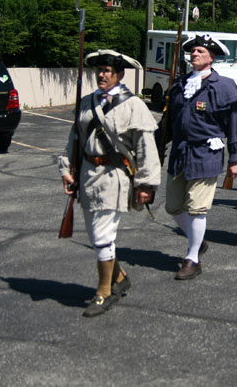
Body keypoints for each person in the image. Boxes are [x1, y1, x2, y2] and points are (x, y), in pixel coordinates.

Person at [59, 49, 161, 318]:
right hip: (87, 176)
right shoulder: (86, 102)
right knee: (95, 237)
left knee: (104, 237)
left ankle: (103, 292)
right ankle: (120, 277)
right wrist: (67, 168)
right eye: (99, 70)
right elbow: (75, 138)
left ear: (119, 75)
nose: (102, 75)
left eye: (107, 71)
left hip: (115, 177)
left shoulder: (133, 105)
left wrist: (146, 184)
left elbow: (145, 148)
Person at [161, 33, 237, 279]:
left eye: (200, 52)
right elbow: (169, 121)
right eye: (193, 51)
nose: (194, 54)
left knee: (197, 209)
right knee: (173, 207)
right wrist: (153, 146)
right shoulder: (180, 83)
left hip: (206, 153)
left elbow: (234, 124)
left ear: (212, 57)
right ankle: (198, 241)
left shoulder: (224, 85)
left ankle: (193, 258)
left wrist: (235, 158)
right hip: (179, 153)